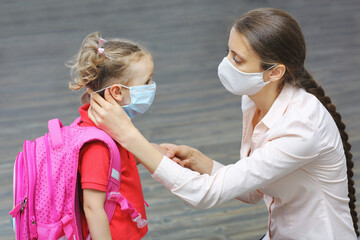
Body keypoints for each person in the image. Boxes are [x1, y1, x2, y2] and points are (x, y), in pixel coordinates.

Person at [87, 8, 358, 240]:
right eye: (228, 52)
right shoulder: (254, 100)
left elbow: (206, 195)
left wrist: (130, 137)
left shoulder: (301, 128)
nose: (226, 64)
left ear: (274, 72)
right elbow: (255, 190)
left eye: (237, 59)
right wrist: (200, 161)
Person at [67, 31, 155, 240]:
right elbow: (92, 207)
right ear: (117, 92)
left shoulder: (109, 127)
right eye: (146, 82)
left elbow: (113, 167)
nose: (151, 87)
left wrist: (153, 153)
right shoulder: (97, 144)